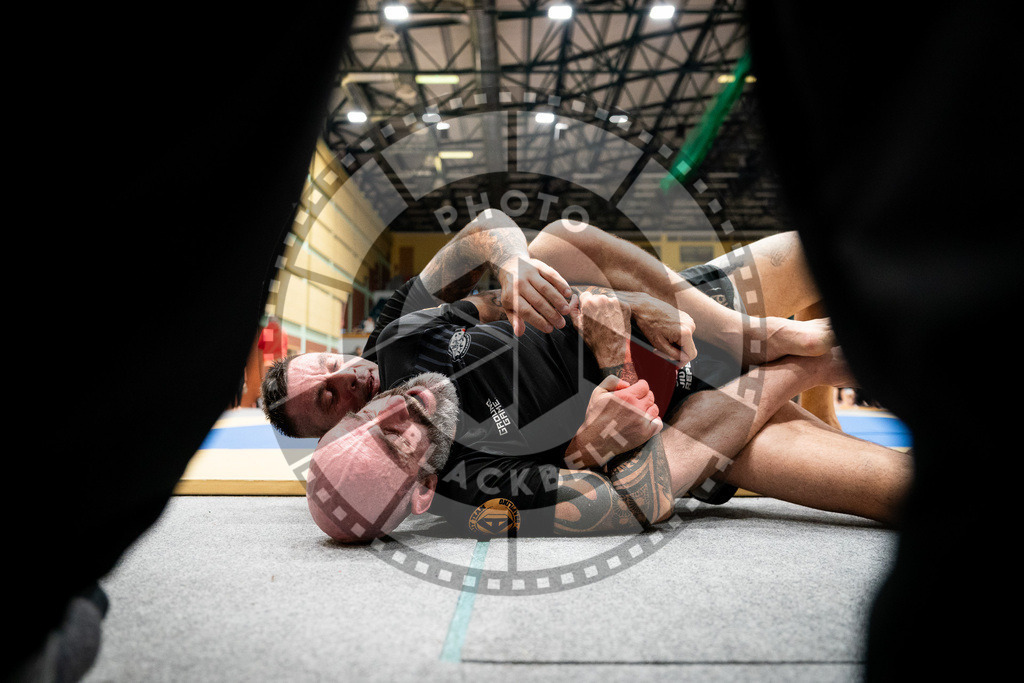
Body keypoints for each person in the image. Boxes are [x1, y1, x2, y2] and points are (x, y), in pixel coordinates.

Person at [264, 212, 912, 541]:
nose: (381, 400)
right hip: (704, 422)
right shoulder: (475, 496)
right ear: (422, 489)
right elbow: (641, 493)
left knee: (553, 244)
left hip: (673, 323)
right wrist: (805, 368)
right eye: (329, 402)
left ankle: (764, 343)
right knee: (901, 492)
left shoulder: (398, 339)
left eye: (327, 370)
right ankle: (799, 369)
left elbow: (497, 242)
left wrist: (518, 268)